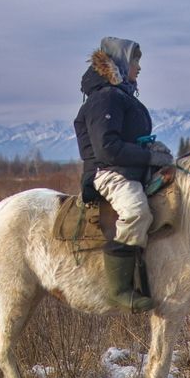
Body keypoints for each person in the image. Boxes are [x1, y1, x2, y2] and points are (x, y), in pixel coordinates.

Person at [73, 37, 173, 313]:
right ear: (119, 63)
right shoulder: (105, 98)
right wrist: (149, 156)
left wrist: (151, 148)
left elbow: (130, 139)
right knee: (137, 211)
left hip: (131, 170)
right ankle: (119, 288)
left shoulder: (124, 96)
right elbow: (107, 148)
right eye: (135, 61)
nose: (139, 68)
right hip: (109, 172)